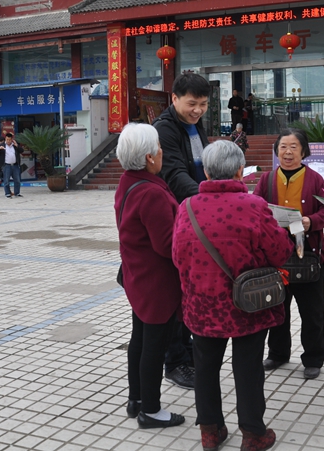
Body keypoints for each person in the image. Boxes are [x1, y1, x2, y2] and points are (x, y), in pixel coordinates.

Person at [172, 140, 293, 451]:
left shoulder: (186, 206)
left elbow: (177, 255)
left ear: (207, 171)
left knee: (205, 368)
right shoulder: (253, 205)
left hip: (202, 304)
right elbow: (279, 252)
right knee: (248, 368)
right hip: (247, 304)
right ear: (241, 170)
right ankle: (253, 434)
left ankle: (210, 432)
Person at [114, 123, 185, 429]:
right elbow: (166, 245)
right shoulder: (151, 192)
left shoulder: (129, 181)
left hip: (137, 276)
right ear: (148, 156)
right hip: (156, 282)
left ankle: (137, 399)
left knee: (140, 341)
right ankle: (151, 410)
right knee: (153, 345)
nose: (161, 152)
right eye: (157, 148)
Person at [253, 128, 324, 380]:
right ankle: (277, 353)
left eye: (293, 147)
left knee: (312, 310)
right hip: (275, 255)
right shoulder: (266, 179)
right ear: (276, 151)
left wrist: (310, 221)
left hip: (307, 253)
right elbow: (255, 208)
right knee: (276, 306)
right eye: (283, 146)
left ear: (304, 151)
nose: (287, 152)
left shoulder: (315, 179)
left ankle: (313, 357)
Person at [153, 72, 211, 390]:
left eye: (203, 104)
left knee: (189, 290)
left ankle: (187, 353)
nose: (197, 110)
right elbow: (174, 174)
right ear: (174, 98)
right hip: (178, 217)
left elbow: (203, 164)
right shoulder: (165, 128)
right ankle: (175, 362)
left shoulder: (194, 125)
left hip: (195, 214)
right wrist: (209, 199)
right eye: (192, 103)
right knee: (177, 292)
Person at [0, 133, 24, 198]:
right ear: (5, 139)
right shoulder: (2, 145)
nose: (8, 141)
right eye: (7, 139)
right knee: (6, 180)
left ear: (12, 139)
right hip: (6, 165)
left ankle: (17, 193)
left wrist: (17, 145)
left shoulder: (14, 145)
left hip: (15, 165)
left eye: (9, 139)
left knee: (17, 180)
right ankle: (7, 193)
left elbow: (21, 150)